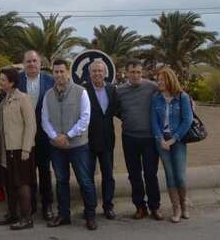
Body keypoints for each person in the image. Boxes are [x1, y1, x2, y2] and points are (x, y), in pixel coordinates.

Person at [42, 59, 98, 231]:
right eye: (56, 72)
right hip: (57, 147)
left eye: (61, 71)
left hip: (78, 146)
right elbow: (45, 119)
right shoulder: (48, 95)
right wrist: (55, 137)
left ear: (68, 72)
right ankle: (64, 215)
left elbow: (85, 118)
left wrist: (68, 135)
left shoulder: (81, 92)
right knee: (61, 181)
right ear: (53, 73)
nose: (59, 75)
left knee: (85, 181)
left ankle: (90, 216)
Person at [0, 68, 36, 230]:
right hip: (2, 148)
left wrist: (26, 149)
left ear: (12, 82)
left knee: (22, 183)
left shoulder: (23, 98)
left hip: (19, 148)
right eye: (0, 79)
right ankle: (13, 214)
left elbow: (31, 125)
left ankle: (26, 218)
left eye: (3, 79)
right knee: (8, 183)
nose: (0, 82)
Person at [117, 59, 163, 220]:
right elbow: (116, 109)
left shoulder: (152, 87)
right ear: (127, 73)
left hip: (149, 139)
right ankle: (140, 207)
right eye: (132, 72)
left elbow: (168, 96)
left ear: (142, 72)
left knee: (151, 174)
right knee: (134, 175)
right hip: (129, 138)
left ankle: (155, 206)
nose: (135, 75)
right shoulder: (120, 90)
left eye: (138, 72)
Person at [16, 50, 56, 220]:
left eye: (34, 61)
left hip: (44, 135)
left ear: (40, 63)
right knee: (27, 172)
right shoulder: (17, 80)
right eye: (28, 61)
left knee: (45, 171)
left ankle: (47, 206)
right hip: (23, 135)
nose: (31, 64)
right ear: (23, 64)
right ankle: (30, 205)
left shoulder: (50, 80)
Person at [151, 67, 193, 223]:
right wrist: (160, 139)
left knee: (180, 176)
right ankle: (175, 208)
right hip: (162, 141)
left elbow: (187, 120)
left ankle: (184, 206)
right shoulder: (156, 98)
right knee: (169, 175)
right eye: (158, 79)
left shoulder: (182, 97)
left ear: (170, 80)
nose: (159, 82)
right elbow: (153, 121)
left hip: (178, 141)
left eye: (162, 79)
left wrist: (174, 139)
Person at [83, 59, 119, 220]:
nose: (97, 73)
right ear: (89, 74)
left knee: (108, 176)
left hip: (107, 140)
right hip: (88, 141)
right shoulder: (82, 91)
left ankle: (108, 206)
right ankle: (89, 208)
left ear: (105, 73)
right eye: (94, 71)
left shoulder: (112, 90)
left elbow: (120, 111)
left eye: (100, 71)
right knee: (88, 177)